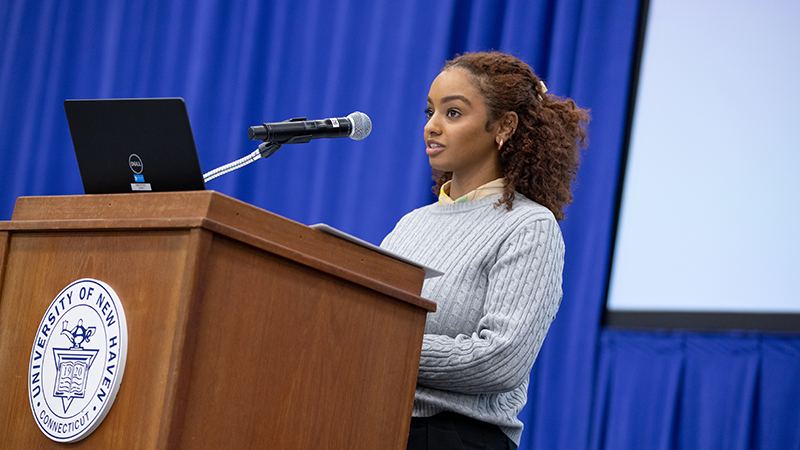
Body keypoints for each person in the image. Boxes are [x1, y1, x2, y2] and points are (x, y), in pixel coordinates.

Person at [380, 51, 590, 450]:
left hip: (456, 438)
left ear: (504, 126)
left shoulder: (529, 226)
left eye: (453, 113)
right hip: (374, 424)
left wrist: (380, 343)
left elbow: (501, 360)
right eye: (429, 112)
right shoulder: (412, 224)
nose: (432, 127)